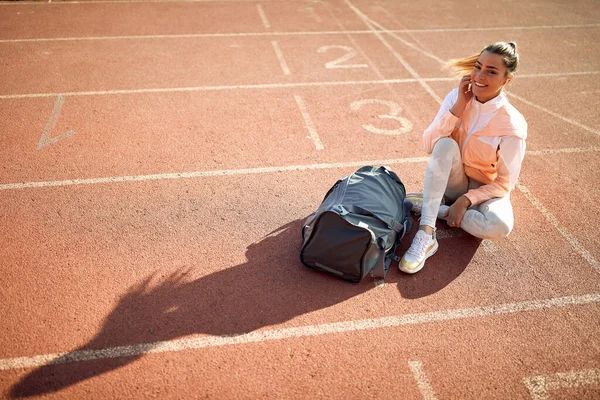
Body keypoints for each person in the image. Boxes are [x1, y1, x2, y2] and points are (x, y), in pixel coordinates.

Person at [399, 41, 527, 274]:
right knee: (445, 145)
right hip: (452, 182)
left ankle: (435, 207)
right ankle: (427, 232)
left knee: (500, 226)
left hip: (484, 191)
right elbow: (428, 144)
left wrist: (466, 200)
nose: (479, 75)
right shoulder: (456, 98)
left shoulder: (512, 125)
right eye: (478, 67)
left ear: (507, 80)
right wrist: (458, 107)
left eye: (491, 72)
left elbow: (504, 184)